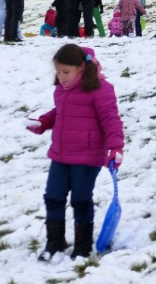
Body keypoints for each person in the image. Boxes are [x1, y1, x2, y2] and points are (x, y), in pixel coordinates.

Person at [27, 44, 124, 261]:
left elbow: (111, 120)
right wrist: (43, 122)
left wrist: (115, 147)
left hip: (87, 156)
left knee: (80, 199)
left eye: (66, 71)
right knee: (53, 196)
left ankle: (82, 245)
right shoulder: (62, 89)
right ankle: (55, 242)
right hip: (60, 154)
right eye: (58, 72)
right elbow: (61, 112)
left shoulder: (100, 89)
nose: (61, 77)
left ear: (81, 67)